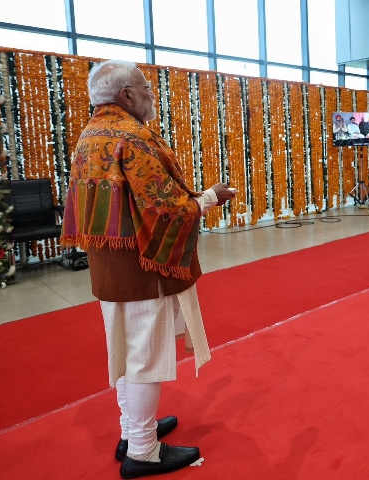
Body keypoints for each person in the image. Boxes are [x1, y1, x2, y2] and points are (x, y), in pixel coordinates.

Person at [61, 60, 235, 479]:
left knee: (125, 351)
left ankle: (131, 430)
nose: (150, 95)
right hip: (143, 266)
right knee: (144, 358)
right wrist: (210, 197)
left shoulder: (90, 134)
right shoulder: (133, 137)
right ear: (125, 96)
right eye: (145, 88)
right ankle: (142, 451)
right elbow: (166, 209)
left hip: (108, 265)